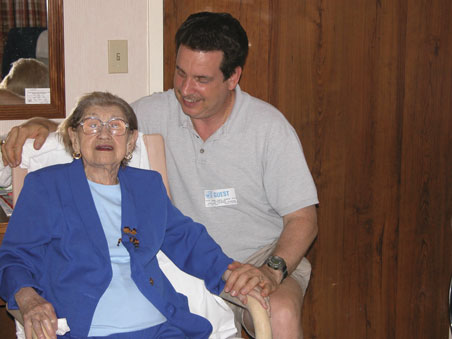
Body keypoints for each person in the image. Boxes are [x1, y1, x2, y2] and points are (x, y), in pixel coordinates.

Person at [1, 12, 318, 338]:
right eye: (180, 73)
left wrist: (266, 270)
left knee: (277, 314)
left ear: (233, 78)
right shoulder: (148, 116)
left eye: (201, 80)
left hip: (257, 258)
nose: (185, 89)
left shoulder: (265, 128)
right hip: (126, 300)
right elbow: (98, 122)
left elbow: (300, 218)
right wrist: (42, 123)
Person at [0, 91, 266, 339]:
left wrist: (230, 271)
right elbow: (14, 258)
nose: (104, 134)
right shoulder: (46, 186)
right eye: (92, 124)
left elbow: (186, 238)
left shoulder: (146, 186)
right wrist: (28, 299)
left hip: (161, 326)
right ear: (74, 137)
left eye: (116, 125)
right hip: (88, 329)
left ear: (130, 142)